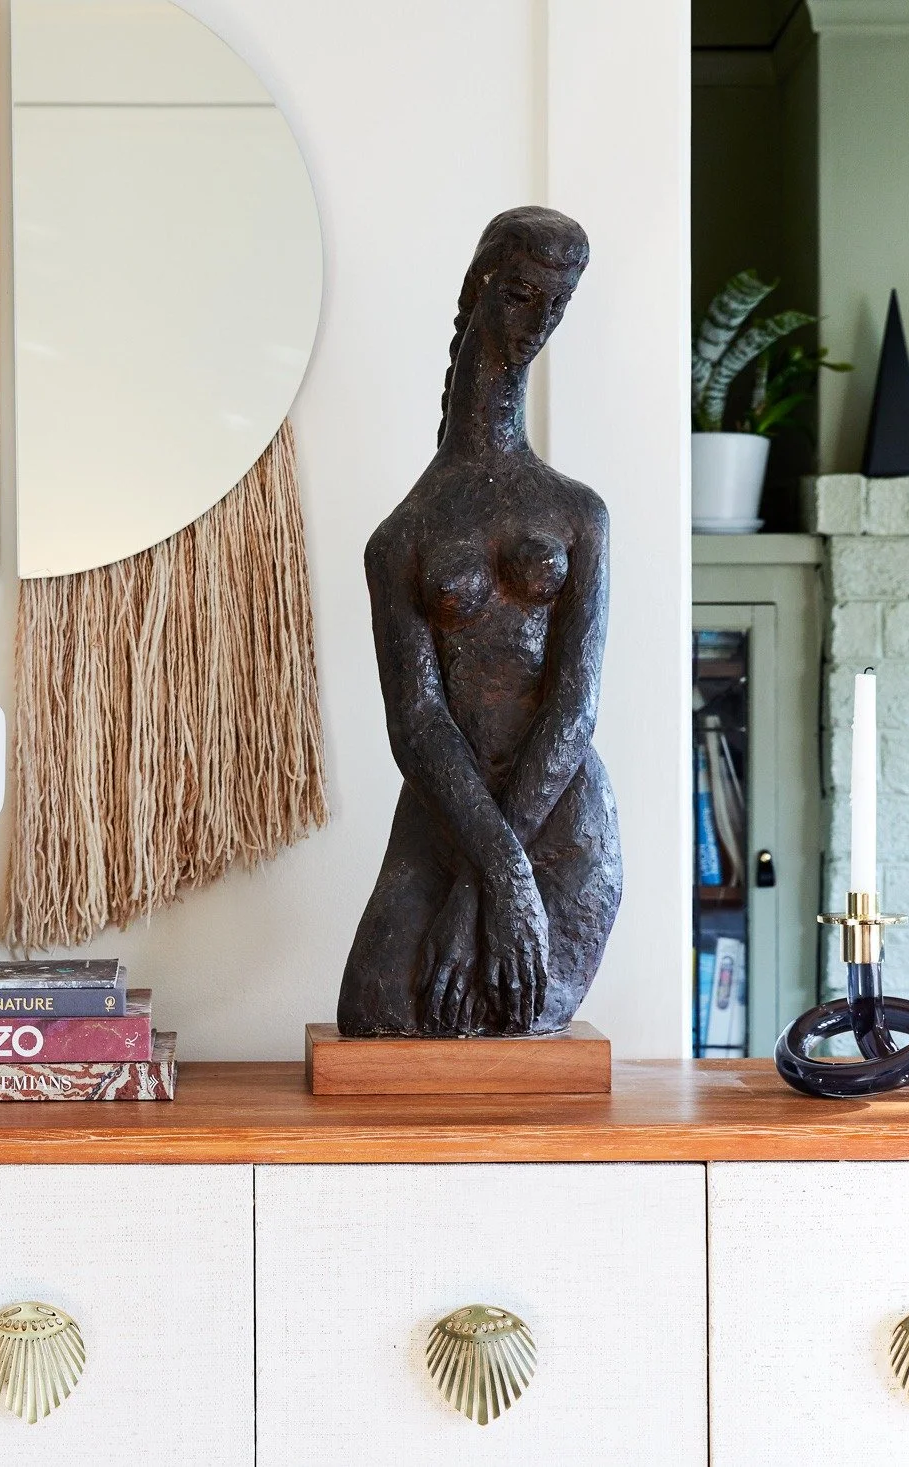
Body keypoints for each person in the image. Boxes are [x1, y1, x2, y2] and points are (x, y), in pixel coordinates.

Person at [337, 206, 621, 1037]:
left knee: (502, 1007)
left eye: (556, 306)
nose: (536, 326)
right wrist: (492, 869)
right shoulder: (401, 536)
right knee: (379, 1010)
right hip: (447, 814)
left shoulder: (579, 514)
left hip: (559, 815)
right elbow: (417, 722)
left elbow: (573, 708)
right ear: (481, 287)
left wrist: (490, 889)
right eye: (523, 296)